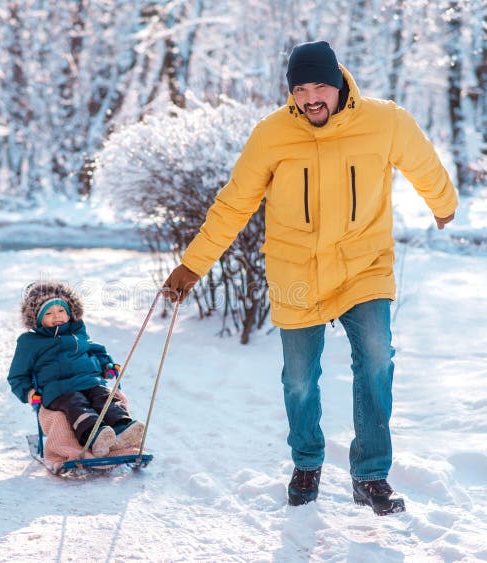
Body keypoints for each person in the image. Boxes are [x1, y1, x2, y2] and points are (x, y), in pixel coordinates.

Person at [163, 40, 457, 516]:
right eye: (300, 89)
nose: (311, 97)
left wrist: (443, 204)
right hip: (295, 271)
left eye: (320, 85)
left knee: (377, 360)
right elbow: (235, 202)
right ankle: (306, 463)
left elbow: (424, 164)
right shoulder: (271, 135)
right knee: (299, 379)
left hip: (364, 266)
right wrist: (193, 264)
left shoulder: (386, 122)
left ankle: (371, 476)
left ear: (339, 83)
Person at [7, 281, 145, 457]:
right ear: (37, 318)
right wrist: (29, 392)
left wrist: (106, 365)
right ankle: (94, 436)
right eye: (48, 313)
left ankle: (122, 428)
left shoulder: (77, 330)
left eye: (61, 310)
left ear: (69, 312)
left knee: (105, 396)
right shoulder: (30, 342)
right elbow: (17, 376)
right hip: (58, 390)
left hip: (90, 381)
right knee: (76, 403)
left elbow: (95, 350)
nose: (56, 316)